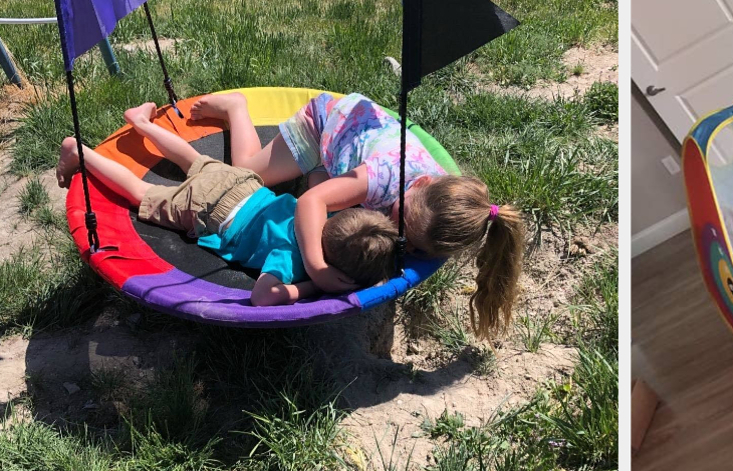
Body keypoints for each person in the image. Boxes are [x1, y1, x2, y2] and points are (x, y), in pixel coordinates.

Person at [188, 92, 523, 337]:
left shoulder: (438, 203)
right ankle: (235, 108)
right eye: (397, 221)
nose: (394, 230)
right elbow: (310, 203)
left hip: (349, 154)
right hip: (326, 126)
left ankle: (324, 171)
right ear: (421, 182)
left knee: (340, 215)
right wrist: (317, 270)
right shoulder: (385, 174)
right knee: (245, 172)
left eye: (411, 242)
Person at [55, 103, 397, 307]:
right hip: (208, 210)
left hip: (243, 185)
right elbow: (264, 297)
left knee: (192, 158)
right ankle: (81, 154)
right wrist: (312, 286)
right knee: (141, 192)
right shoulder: (291, 259)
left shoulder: (326, 211)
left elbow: (319, 184)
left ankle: (142, 122)